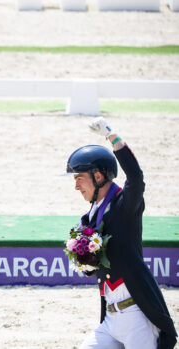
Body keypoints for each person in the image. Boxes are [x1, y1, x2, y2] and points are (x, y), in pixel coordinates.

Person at [66, 117, 176, 349]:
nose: (76, 186)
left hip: (137, 318)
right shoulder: (89, 217)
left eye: (79, 179)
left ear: (98, 177)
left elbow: (135, 178)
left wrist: (112, 136)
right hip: (110, 319)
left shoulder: (124, 205)